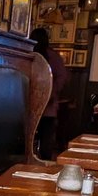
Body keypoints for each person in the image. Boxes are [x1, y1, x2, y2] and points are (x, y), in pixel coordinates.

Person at [30, 27, 66, 159]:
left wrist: (50, 92)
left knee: (38, 138)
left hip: (39, 105)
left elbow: (61, 77)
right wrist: (52, 92)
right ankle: (43, 164)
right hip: (44, 106)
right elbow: (62, 77)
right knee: (45, 139)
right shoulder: (53, 56)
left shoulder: (33, 54)